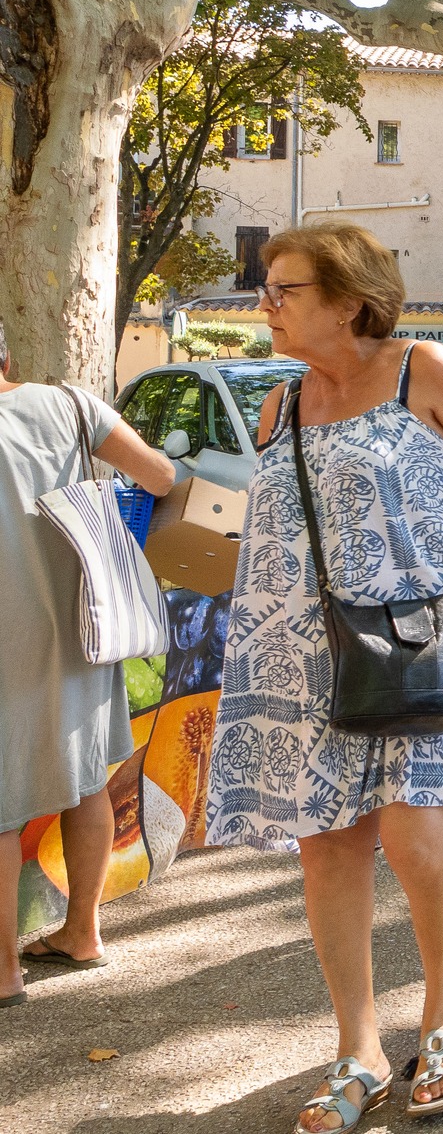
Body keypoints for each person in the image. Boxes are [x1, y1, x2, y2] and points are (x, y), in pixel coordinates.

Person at [203, 223, 443, 1127]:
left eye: (283, 289)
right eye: (266, 289)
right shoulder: (281, 404)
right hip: (303, 658)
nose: (265, 304)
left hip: (415, 644)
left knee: (417, 843)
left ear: (348, 300)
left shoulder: (419, 368)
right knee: (327, 850)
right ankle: (356, 1045)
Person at [0, 322, 177, 1010]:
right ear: (10, 354)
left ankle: (5, 974)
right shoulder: (70, 405)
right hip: (82, 618)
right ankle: (82, 932)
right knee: (86, 787)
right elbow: (160, 476)